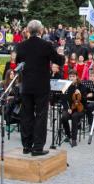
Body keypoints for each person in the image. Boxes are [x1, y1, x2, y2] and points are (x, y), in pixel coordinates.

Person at [16, 20, 64, 156]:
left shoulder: (21, 46)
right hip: (41, 86)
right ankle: (37, 147)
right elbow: (59, 61)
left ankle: (26, 146)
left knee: (26, 115)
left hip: (26, 86)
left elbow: (18, 63)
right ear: (41, 31)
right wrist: (61, 53)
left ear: (28, 31)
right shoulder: (46, 45)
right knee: (41, 116)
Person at [61, 70, 88, 147]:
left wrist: (80, 94)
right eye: (70, 76)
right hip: (69, 108)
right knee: (64, 117)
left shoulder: (82, 86)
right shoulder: (66, 86)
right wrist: (67, 108)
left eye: (73, 76)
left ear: (76, 77)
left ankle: (74, 139)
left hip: (79, 109)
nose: (72, 78)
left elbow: (85, 101)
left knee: (74, 116)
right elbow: (63, 100)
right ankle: (68, 135)